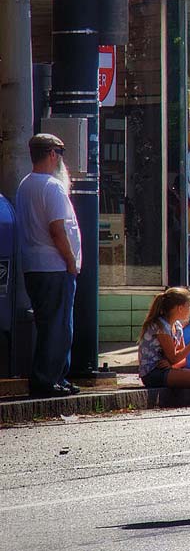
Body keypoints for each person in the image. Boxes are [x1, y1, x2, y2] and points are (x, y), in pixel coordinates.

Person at [16, 134, 81, 398]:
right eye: (60, 154)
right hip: (54, 265)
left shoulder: (25, 185)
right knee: (59, 325)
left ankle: (54, 377)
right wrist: (70, 261)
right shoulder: (52, 187)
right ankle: (49, 379)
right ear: (52, 154)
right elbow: (57, 229)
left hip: (34, 265)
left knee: (48, 324)